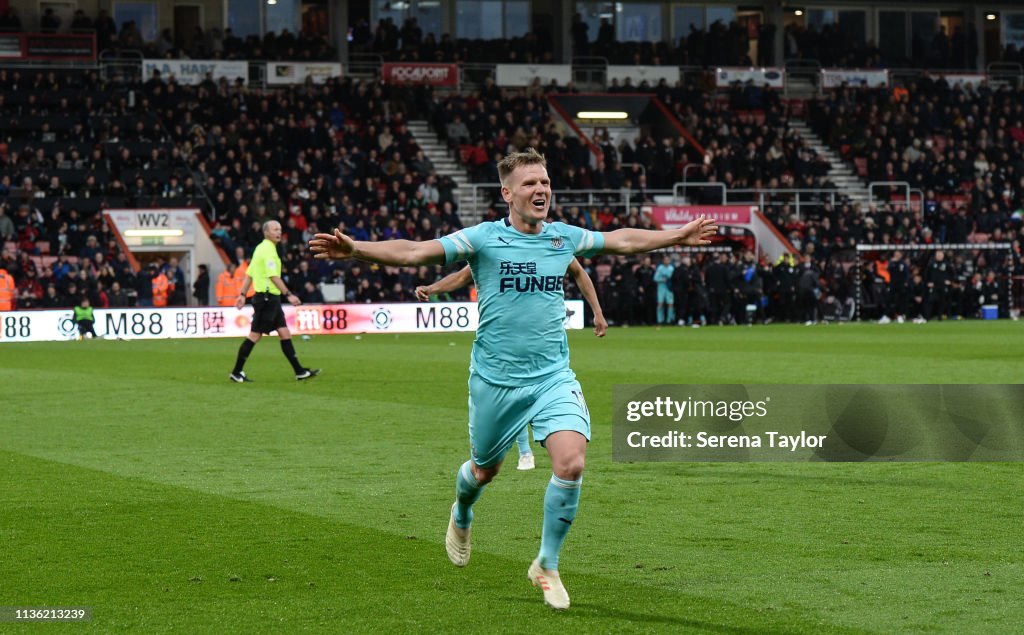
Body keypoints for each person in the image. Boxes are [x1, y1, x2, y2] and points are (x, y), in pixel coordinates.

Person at [310, 148, 717, 610]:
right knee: (484, 470)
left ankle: (546, 562)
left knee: (572, 463)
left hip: (551, 377)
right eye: (529, 183)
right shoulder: (483, 239)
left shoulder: (562, 238)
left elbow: (620, 239)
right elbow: (415, 252)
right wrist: (356, 249)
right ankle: (461, 511)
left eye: (544, 182)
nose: (540, 189)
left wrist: (676, 235)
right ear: (507, 193)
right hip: (495, 381)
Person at [414, 259, 609, 471]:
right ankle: (520, 455)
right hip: (503, 351)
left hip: (547, 357)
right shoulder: (494, 244)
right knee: (484, 468)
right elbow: (462, 276)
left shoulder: (554, 241)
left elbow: (578, 271)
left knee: (569, 460)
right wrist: (432, 288)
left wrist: (597, 311)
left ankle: (526, 453)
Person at [230, 221, 320, 383]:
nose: (279, 232)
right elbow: (273, 276)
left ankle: (299, 371)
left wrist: (243, 294)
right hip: (267, 298)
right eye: (275, 229)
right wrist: (289, 294)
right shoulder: (268, 251)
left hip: (269, 298)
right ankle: (236, 372)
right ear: (266, 233)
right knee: (255, 335)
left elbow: (250, 274)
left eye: (280, 228)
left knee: (284, 333)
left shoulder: (260, 249)